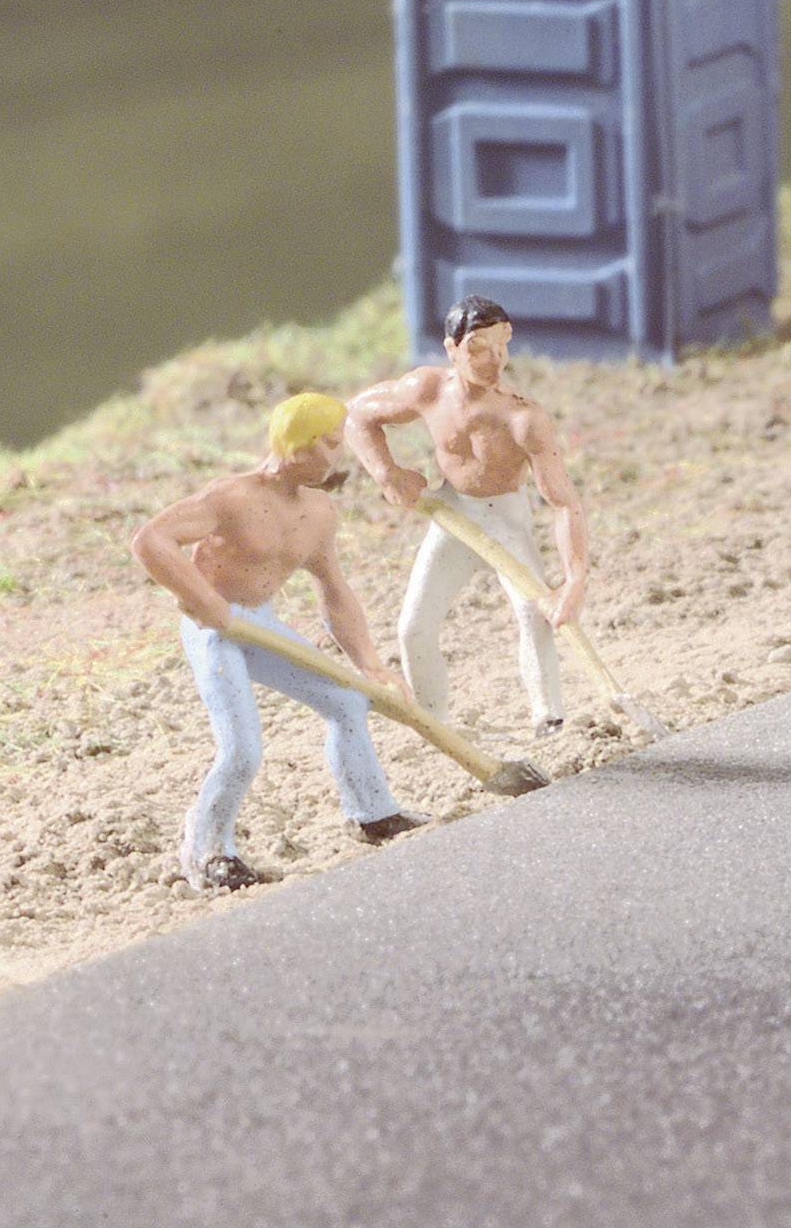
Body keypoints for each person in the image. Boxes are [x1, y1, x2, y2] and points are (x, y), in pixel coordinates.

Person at [130, 392, 426, 891]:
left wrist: (370, 662)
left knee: (349, 703)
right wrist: (204, 599)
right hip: (215, 632)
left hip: (258, 625)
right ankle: (207, 850)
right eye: (329, 445)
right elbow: (151, 539)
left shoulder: (319, 512)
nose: (339, 455)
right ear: (296, 445)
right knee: (242, 749)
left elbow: (334, 590)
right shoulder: (232, 497)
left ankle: (371, 812)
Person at [345, 296, 589, 736]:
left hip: (506, 518)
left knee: (535, 614)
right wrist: (387, 473)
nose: (493, 360)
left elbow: (564, 502)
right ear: (451, 349)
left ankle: (549, 718)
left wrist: (574, 578)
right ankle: (433, 723)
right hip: (453, 512)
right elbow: (358, 416)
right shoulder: (427, 391)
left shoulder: (523, 419)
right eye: (477, 347)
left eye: (501, 346)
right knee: (413, 626)